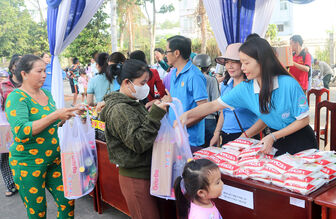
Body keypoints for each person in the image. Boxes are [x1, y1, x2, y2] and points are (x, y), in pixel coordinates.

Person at [180, 37, 317, 156]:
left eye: (246, 63)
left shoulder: (288, 84)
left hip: (302, 142)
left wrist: (273, 136)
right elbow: (213, 105)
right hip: (276, 142)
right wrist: (186, 115)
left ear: (262, 61)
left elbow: (303, 120)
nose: (243, 68)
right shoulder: (246, 88)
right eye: (242, 62)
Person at [5, 54, 82, 218]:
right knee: (37, 212)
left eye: (45, 70)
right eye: (39, 71)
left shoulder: (47, 93)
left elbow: (51, 124)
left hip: (54, 160)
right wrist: (55, 116)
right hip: (28, 165)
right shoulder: (16, 97)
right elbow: (21, 131)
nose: (44, 74)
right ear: (24, 74)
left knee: (67, 201)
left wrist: (70, 114)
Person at [100, 59, 169, 219]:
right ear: (127, 82)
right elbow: (138, 142)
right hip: (135, 177)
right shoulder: (120, 109)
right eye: (143, 82)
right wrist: (155, 115)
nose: (146, 86)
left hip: (145, 173)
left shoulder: (131, 104)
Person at [166, 35, 208, 153]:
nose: (165, 55)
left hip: (191, 140)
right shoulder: (174, 73)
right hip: (175, 137)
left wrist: (182, 126)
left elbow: (204, 109)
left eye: (167, 51)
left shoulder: (194, 75)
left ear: (176, 53)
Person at [210, 43, 258, 146]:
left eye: (234, 62)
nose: (229, 66)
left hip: (247, 135)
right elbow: (223, 110)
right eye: (227, 62)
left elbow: (264, 116)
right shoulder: (225, 85)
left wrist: (244, 137)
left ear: (243, 63)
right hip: (226, 135)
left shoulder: (252, 86)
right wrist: (217, 133)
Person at [0, 54, 21, 197]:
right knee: (5, 157)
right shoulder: (3, 86)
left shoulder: (29, 84)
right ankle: (10, 185)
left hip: (24, 125)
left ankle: (26, 180)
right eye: (17, 63)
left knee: (23, 153)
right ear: (12, 66)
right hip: (6, 126)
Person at [193, 54, 220, 146]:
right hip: (209, 119)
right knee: (211, 150)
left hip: (194, 119)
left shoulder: (192, 78)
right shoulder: (212, 80)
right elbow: (216, 100)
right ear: (208, 67)